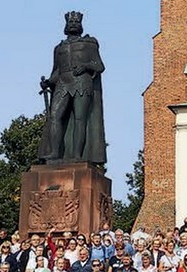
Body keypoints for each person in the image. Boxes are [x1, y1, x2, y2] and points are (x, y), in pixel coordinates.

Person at [38, 11, 107, 164]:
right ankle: (54, 153)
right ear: (66, 26)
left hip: (82, 82)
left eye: (76, 23)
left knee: (79, 118)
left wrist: (86, 66)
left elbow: (100, 66)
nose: (73, 24)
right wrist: (48, 82)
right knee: (55, 116)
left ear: (81, 26)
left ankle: (77, 155)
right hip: (63, 83)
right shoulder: (58, 48)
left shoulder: (89, 43)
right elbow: (56, 71)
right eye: (70, 23)